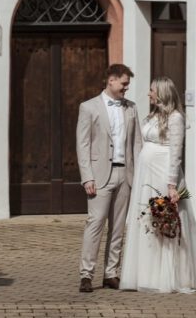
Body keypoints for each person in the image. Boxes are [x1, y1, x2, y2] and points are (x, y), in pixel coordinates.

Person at [120, 76, 196, 293]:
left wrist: (172, 184)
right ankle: (146, 274)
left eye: (152, 90)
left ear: (162, 92)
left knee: (167, 219)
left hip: (164, 175)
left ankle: (173, 277)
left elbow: (176, 153)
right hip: (147, 174)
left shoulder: (176, 118)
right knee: (146, 220)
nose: (148, 94)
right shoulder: (153, 116)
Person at [76, 63, 142, 293]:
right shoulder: (88, 108)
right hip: (99, 175)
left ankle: (111, 274)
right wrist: (87, 177)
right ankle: (86, 274)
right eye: (124, 83)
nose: (126, 88)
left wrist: (138, 176)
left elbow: (136, 143)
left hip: (125, 173)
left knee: (117, 228)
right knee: (95, 224)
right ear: (111, 80)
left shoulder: (131, 108)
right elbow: (82, 145)